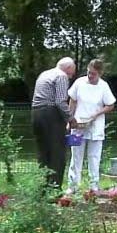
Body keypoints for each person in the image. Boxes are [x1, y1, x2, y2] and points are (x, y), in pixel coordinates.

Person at [65, 58, 116, 194]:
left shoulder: (103, 86)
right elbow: (73, 100)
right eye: (88, 72)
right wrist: (69, 120)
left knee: (94, 157)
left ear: (100, 73)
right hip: (78, 125)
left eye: (93, 73)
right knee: (76, 156)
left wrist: (96, 114)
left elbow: (110, 105)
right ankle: (73, 186)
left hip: (95, 127)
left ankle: (94, 186)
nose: (90, 75)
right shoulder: (79, 82)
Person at [31, 57, 77, 190]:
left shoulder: (44, 74)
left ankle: (42, 187)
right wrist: (70, 118)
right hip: (51, 115)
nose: (72, 75)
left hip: (36, 113)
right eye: (72, 72)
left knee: (43, 152)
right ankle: (54, 189)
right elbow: (60, 101)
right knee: (57, 153)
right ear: (68, 68)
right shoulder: (61, 76)